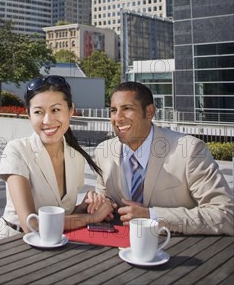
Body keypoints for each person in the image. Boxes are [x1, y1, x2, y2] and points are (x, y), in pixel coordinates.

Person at [0, 75, 113, 243]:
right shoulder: (17, 150)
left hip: (54, 244)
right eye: (38, 112)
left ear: (71, 110)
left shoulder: (76, 157)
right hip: (9, 244)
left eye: (56, 110)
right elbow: (31, 224)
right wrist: (91, 218)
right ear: (29, 115)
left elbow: (62, 216)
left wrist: (85, 207)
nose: (47, 120)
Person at [95, 81, 233, 235]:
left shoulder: (189, 150)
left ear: (149, 112)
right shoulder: (103, 151)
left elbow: (225, 215)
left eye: (127, 108)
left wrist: (152, 216)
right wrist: (101, 205)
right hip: (116, 252)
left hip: (184, 252)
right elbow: (106, 201)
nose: (118, 118)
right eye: (113, 110)